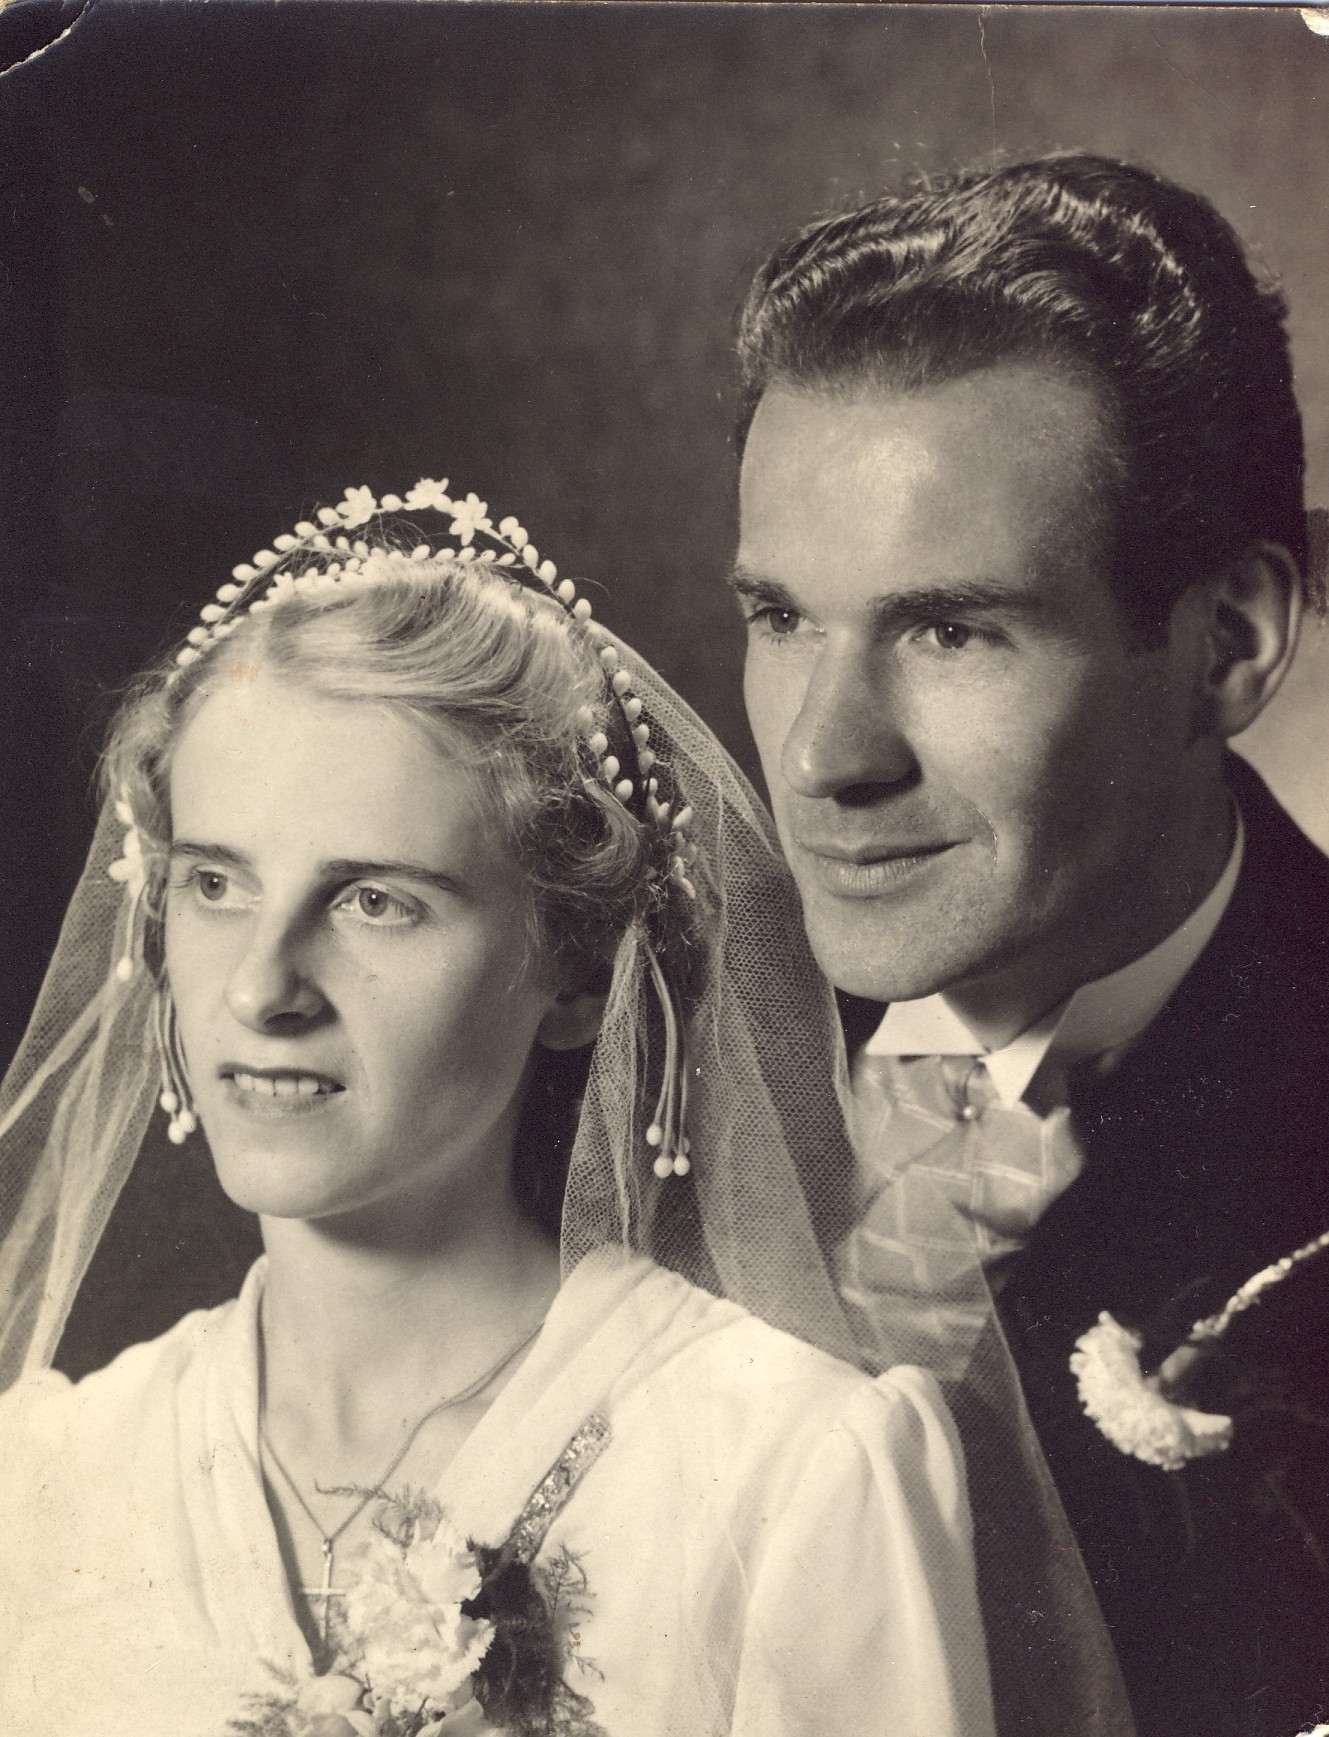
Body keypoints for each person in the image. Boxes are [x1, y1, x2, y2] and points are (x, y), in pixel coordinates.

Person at [0, 483, 1000, 1737]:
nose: (260, 990)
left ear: (576, 975)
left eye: (375, 902)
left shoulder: (791, 1469)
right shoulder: (44, 1476)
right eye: (215, 884)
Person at [732, 152, 1329, 1737]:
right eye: (781, 618)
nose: (821, 757)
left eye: (951, 629)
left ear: (1229, 642)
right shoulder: (636, 1059)